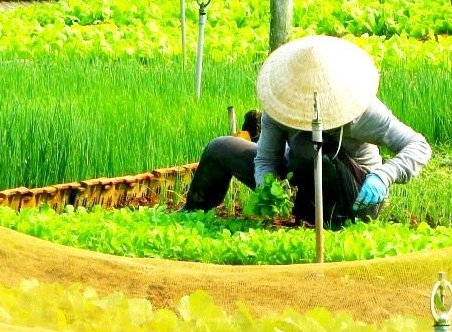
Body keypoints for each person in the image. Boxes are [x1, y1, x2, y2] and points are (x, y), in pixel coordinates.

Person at [183, 36, 430, 226]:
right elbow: (266, 159)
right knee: (220, 148)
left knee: (312, 150)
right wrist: (267, 188)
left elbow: (418, 145)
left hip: (354, 196)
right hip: (297, 175)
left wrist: (384, 176)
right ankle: (192, 216)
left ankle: (334, 226)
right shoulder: (280, 107)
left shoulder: (361, 112)